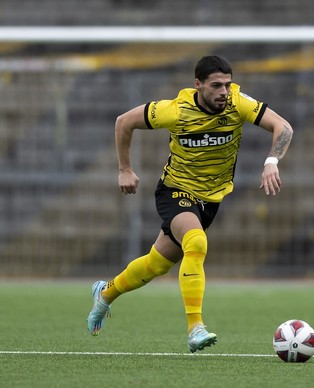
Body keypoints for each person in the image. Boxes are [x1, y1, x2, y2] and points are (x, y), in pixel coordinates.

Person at [87, 55, 293, 352]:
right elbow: (124, 122)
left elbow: (283, 127)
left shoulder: (237, 103)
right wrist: (124, 169)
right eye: (216, 85)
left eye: (228, 84)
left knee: (157, 264)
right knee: (196, 242)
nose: (224, 91)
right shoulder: (175, 110)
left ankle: (105, 293)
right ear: (198, 85)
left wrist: (271, 161)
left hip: (210, 200)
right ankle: (195, 327)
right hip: (175, 190)